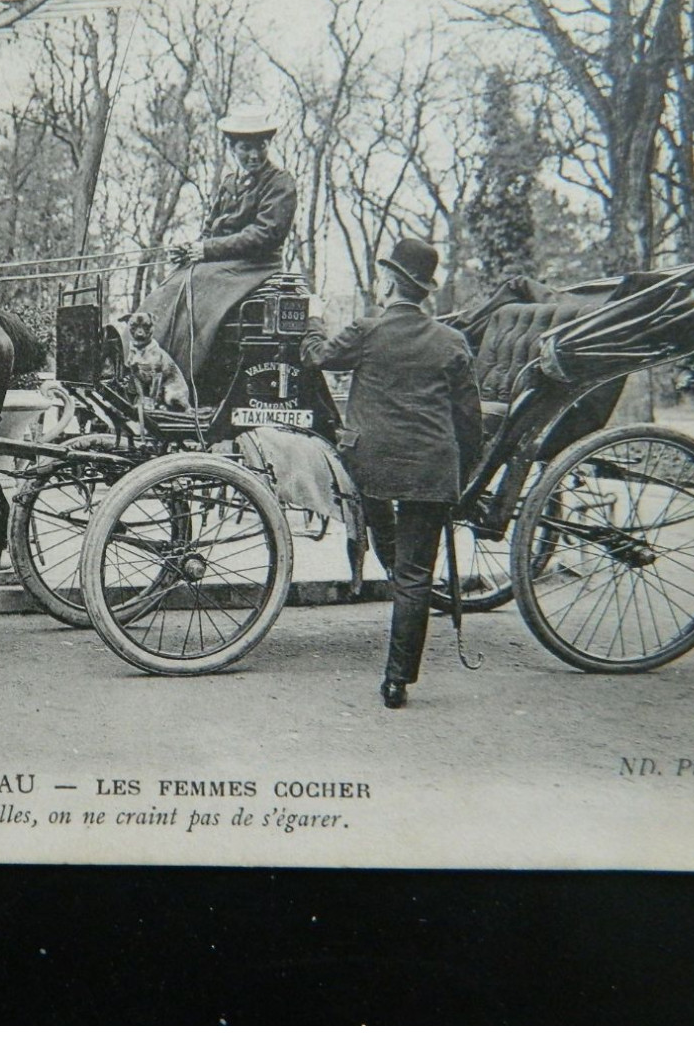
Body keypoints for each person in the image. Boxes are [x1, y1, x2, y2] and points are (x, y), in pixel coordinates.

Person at [300, 238, 482, 709]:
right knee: (415, 573)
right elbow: (469, 423)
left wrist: (314, 317)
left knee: (393, 552)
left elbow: (317, 357)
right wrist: (463, 474)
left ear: (388, 283)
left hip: (371, 468)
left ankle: (393, 574)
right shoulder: (452, 343)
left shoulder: (366, 331)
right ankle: (396, 681)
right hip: (431, 471)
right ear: (422, 291)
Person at [136, 104, 298, 400]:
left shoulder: (280, 182)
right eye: (245, 147)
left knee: (196, 286)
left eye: (260, 146)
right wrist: (190, 250)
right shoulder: (229, 184)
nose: (253, 154)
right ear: (232, 147)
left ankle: (184, 379)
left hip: (256, 266)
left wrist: (206, 250)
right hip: (222, 263)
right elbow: (210, 229)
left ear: (268, 144)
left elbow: (265, 234)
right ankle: (148, 367)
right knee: (172, 283)